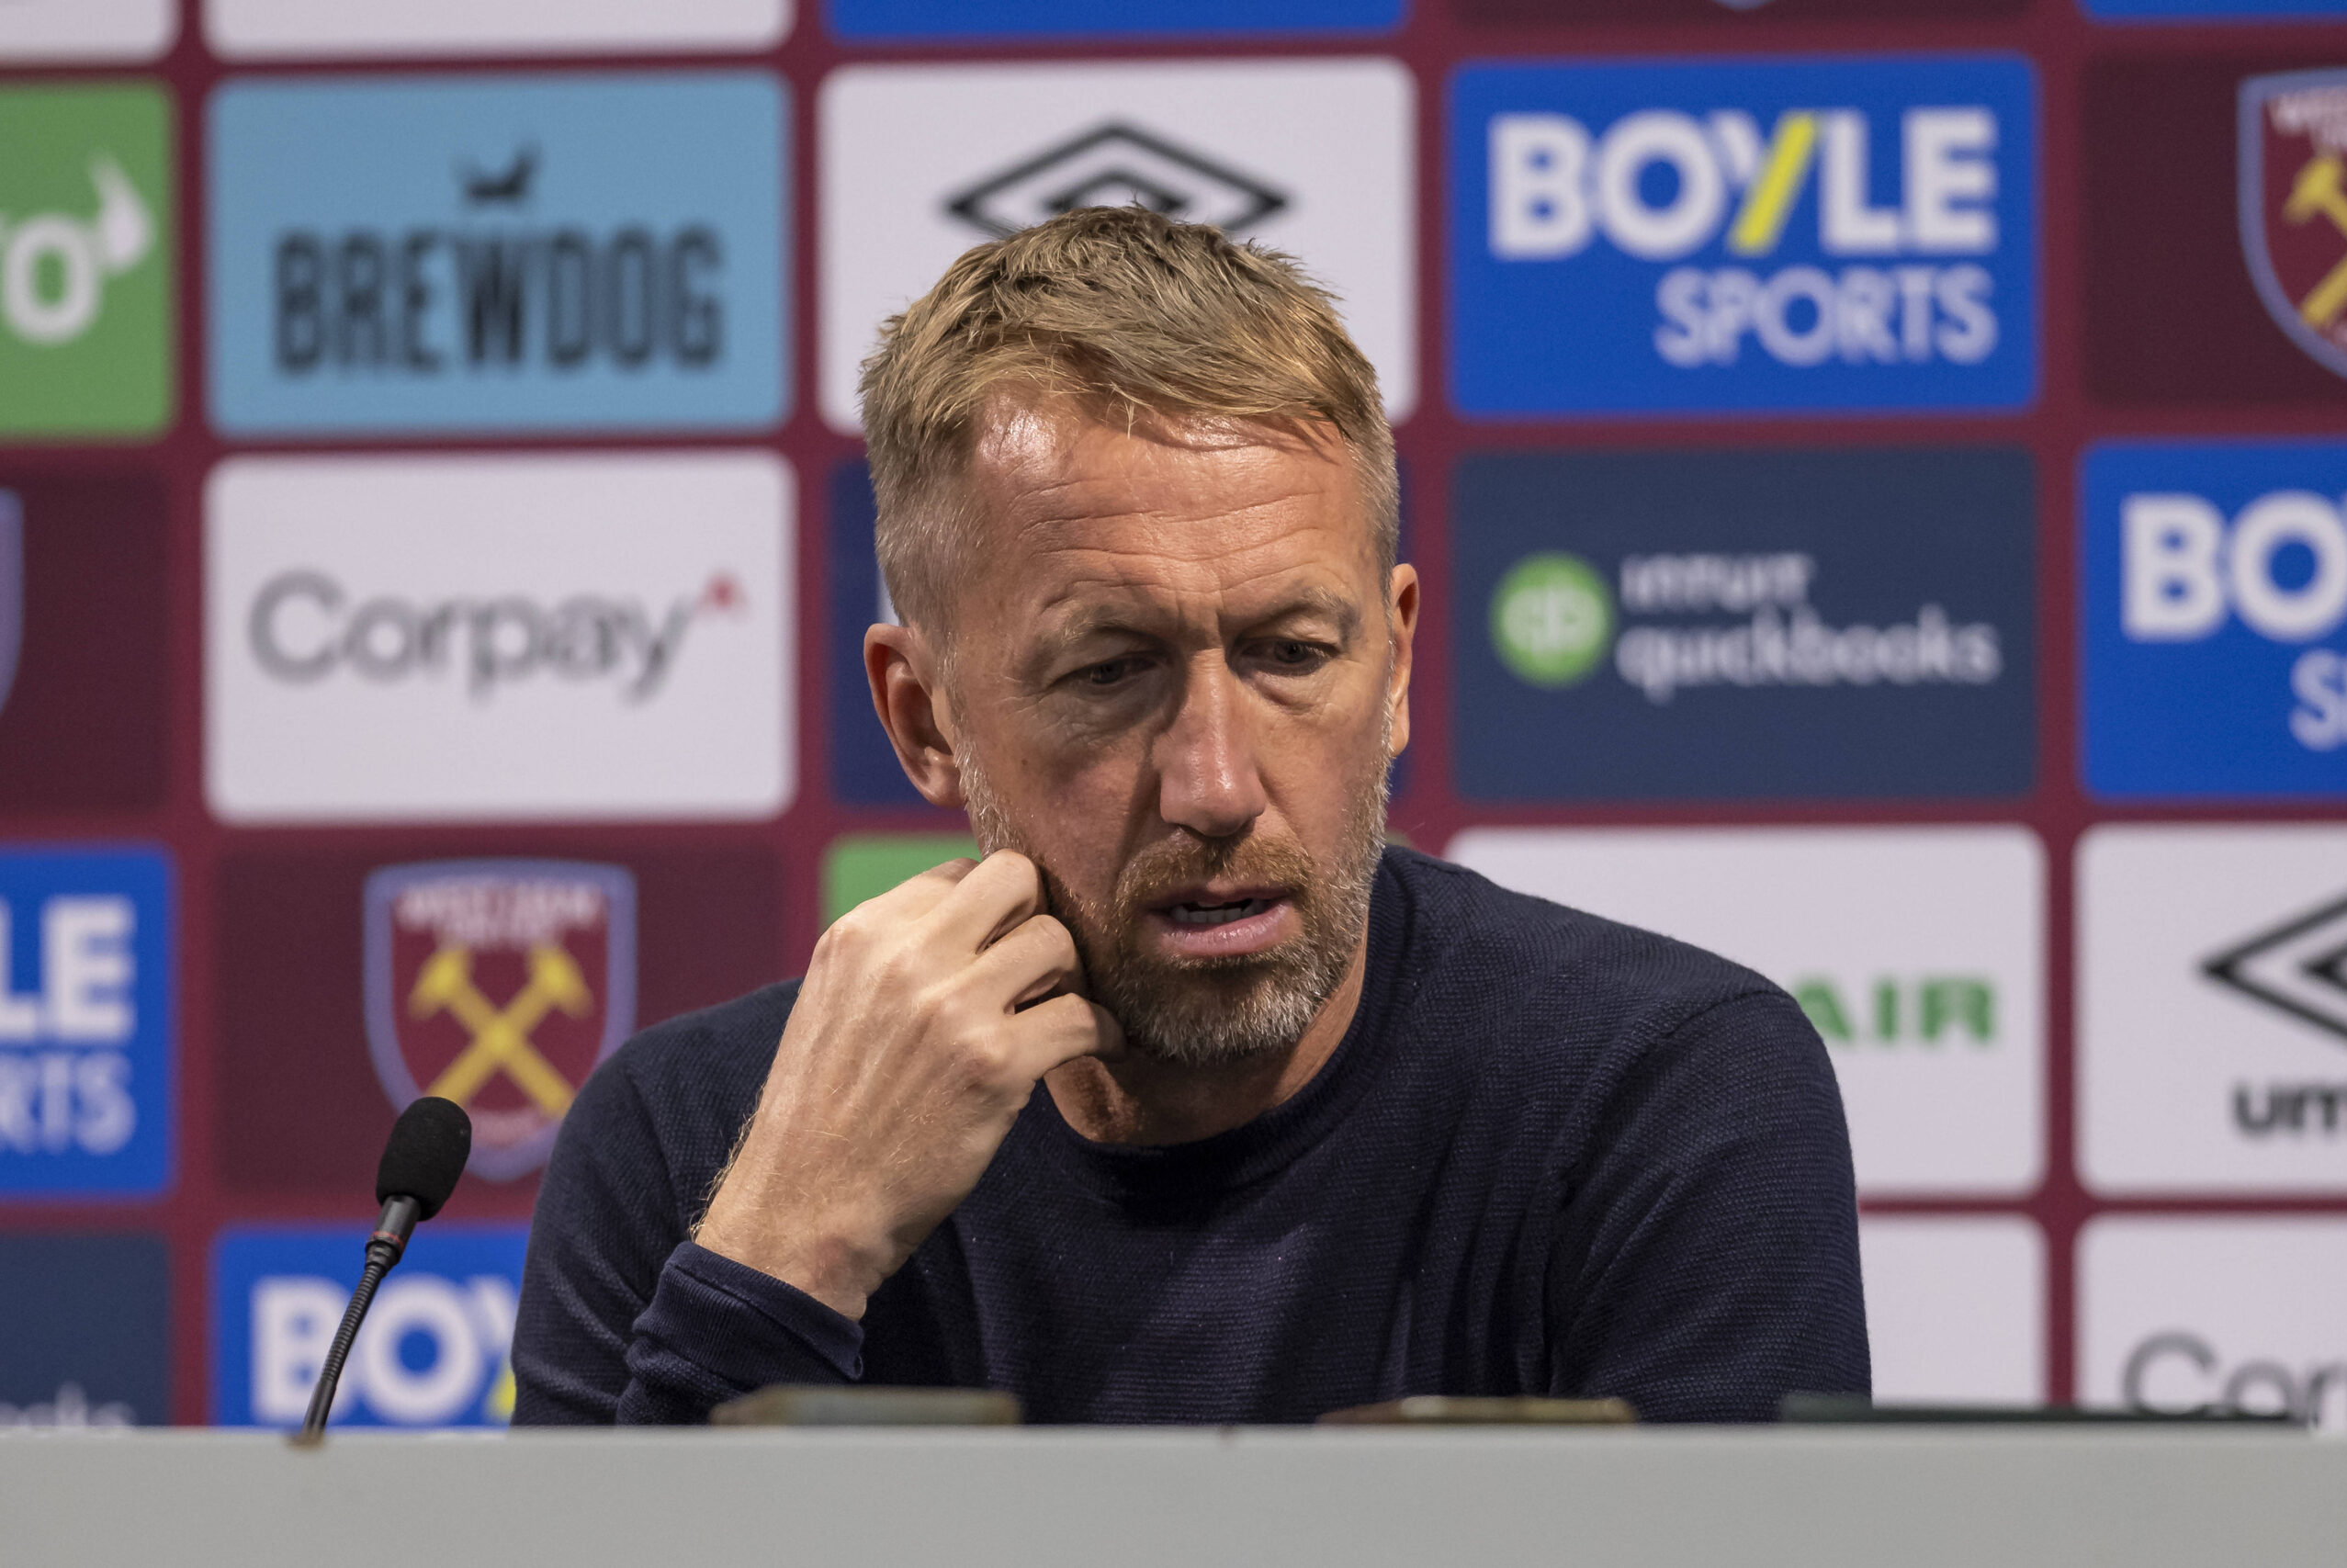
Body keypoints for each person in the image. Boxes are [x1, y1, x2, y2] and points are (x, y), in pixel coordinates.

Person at [511, 206, 1868, 1426]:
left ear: (1397, 665)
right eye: (1110, 673)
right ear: (925, 719)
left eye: (1291, 654)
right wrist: (785, 1258)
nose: (1217, 787)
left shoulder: (1660, 1093)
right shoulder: (696, 1143)